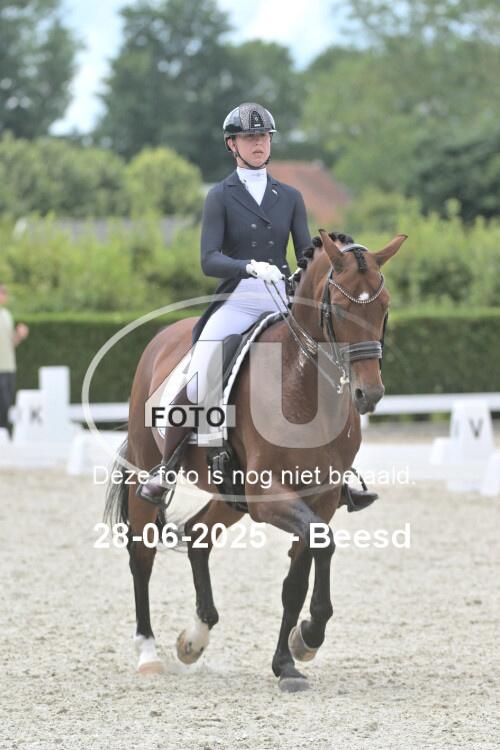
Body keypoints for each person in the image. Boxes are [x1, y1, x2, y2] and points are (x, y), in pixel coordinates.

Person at [139, 102, 377, 513]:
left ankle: (339, 472)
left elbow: (305, 254)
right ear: (232, 144)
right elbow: (208, 259)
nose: (258, 144)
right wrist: (247, 266)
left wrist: (321, 266)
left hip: (282, 298)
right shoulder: (220, 196)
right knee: (201, 371)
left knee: (328, 365)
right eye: (249, 138)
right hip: (238, 298)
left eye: (263, 136)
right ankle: (167, 466)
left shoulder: (290, 196)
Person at [0, 284, 29, 433]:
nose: (4, 295)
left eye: (4, 292)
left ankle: (3, 434)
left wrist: (19, 335)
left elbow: (11, 342)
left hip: (9, 367)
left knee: (6, 405)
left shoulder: (6, 315)